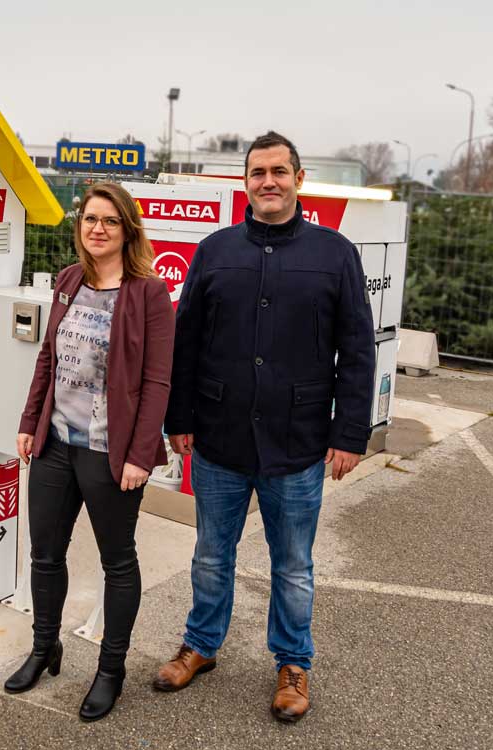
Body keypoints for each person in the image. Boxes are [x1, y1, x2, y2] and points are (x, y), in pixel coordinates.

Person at [153, 131, 375, 723]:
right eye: (258, 173)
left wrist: (349, 433)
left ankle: (293, 663)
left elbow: (357, 350)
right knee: (209, 555)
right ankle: (201, 646)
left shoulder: (335, 254)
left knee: (294, 565)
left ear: (298, 180)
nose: (268, 182)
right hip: (220, 437)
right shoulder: (215, 250)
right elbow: (187, 342)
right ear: (244, 182)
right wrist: (180, 419)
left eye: (279, 171)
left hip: (298, 442)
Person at [10, 183, 174, 722]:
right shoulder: (68, 280)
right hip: (56, 445)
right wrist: (30, 422)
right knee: (44, 554)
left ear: (128, 229)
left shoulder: (149, 293)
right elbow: (47, 359)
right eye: (88, 219)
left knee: (117, 563)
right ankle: (44, 647)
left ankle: (110, 670)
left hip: (110, 453)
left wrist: (140, 455)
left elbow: (156, 382)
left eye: (109, 220)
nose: (97, 228)